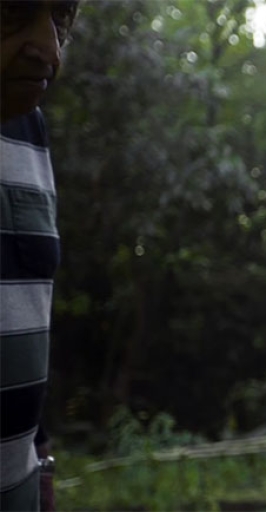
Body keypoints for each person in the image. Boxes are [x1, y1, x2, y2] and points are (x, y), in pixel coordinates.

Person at [1, 1, 80, 510]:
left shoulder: (27, 126)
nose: (49, 50)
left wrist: (39, 458)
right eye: (13, 13)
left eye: (61, 18)